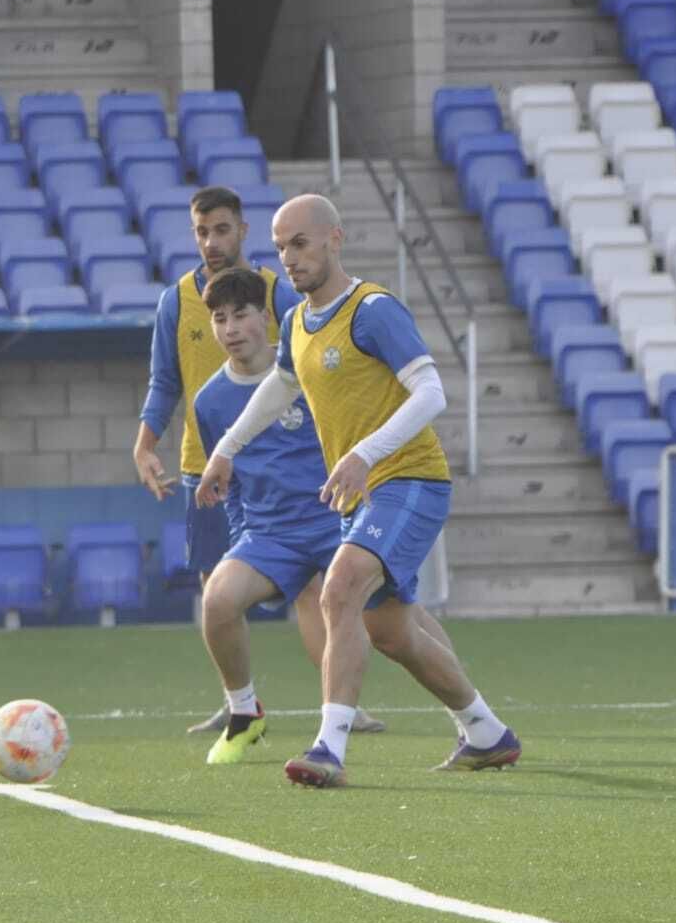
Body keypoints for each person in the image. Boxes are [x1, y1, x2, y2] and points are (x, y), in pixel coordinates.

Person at [197, 195, 520, 787]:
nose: (289, 258)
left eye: (300, 243)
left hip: (410, 480)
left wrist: (363, 453)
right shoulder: (295, 320)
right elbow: (280, 387)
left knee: (337, 588)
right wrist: (225, 450)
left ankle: (329, 748)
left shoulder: (372, 309)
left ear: (334, 240)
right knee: (394, 634)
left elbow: (432, 393)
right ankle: (486, 732)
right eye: (280, 247)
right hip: (363, 494)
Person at [131, 186, 382, 736]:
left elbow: (309, 367)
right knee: (216, 590)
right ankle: (238, 702)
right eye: (201, 232)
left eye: (222, 230)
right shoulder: (176, 301)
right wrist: (145, 443)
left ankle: (339, 700)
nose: (211, 241)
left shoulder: (281, 293)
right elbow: (164, 379)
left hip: (299, 479)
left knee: (317, 594)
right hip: (211, 466)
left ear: (243, 231)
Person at [192, 268, 462, 765]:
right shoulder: (210, 400)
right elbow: (223, 483)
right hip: (269, 535)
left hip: (334, 516)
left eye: (241, 315)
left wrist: (366, 467)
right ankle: (245, 712)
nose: (230, 328)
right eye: (219, 319)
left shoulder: (315, 367)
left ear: (265, 318)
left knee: (394, 618)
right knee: (217, 599)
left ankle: (458, 718)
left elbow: (387, 411)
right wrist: (238, 536)